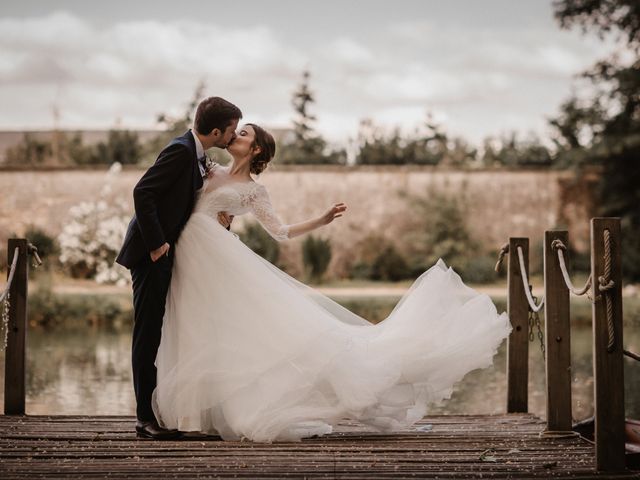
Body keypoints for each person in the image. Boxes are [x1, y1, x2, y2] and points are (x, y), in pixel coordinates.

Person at [151, 123, 512, 442]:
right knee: (198, 330)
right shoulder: (207, 170)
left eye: (243, 133)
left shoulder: (254, 192)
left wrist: (321, 220)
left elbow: (279, 231)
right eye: (235, 131)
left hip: (218, 263)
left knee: (245, 331)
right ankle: (193, 416)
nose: (234, 136)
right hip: (197, 259)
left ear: (256, 148)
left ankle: (213, 414)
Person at [115, 97, 242, 439]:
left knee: (161, 331)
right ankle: (144, 419)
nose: (233, 136)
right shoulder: (181, 151)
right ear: (216, 131)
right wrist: (157, 245)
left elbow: (183, 204)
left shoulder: (197, 155)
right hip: (149, 255)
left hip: (170, 254)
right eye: (231, 130)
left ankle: (159, 412)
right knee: (148, 334)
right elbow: (143, 192)